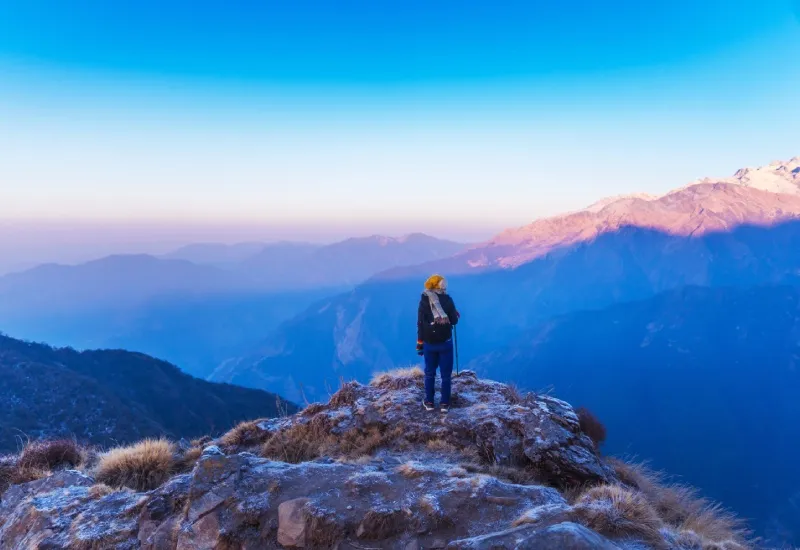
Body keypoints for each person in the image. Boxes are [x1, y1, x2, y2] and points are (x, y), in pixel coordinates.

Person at [416, 274, 459, 412]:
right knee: (446, 375)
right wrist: (453, 313)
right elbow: (453, 321)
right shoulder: (447, 300)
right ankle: (444, 404)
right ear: (439, 285)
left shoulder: (423, 301)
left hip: (429, 343)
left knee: (430, 373)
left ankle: (429, 402)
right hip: (445, 342)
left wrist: (420, 344)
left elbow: (420, 324)